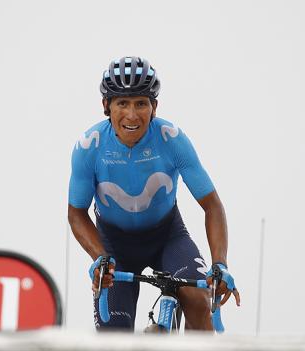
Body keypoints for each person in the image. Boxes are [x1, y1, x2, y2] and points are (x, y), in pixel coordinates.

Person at [68, 56, 240, 331]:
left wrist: (220, 264)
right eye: (122, 103)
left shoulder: (172, 139)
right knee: (114, 342)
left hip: (167, 237)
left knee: (197, 300)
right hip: (114, 246)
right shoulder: (90, 146)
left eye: (141, 103)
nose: (132, 115)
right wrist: (99, 257)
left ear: (154, 106)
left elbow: (212, 205)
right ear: (106, 106)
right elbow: (76, 212)